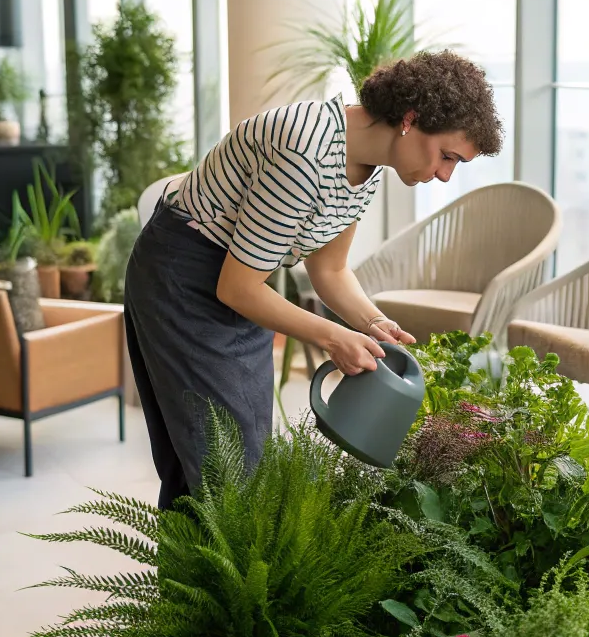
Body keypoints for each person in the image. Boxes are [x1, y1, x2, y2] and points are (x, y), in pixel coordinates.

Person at [124, 50, 504, 509]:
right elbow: (236, 288)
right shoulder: (303, 152)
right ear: (410, 119)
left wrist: (371, 323)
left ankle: (198, 578)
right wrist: (334, 337)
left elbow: (330, 269)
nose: (445, 175)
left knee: (228, 462)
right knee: (222, 465)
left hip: (243, 280)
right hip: (184, 279)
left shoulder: (370, 163)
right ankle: (205, 578)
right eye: (447, 156)